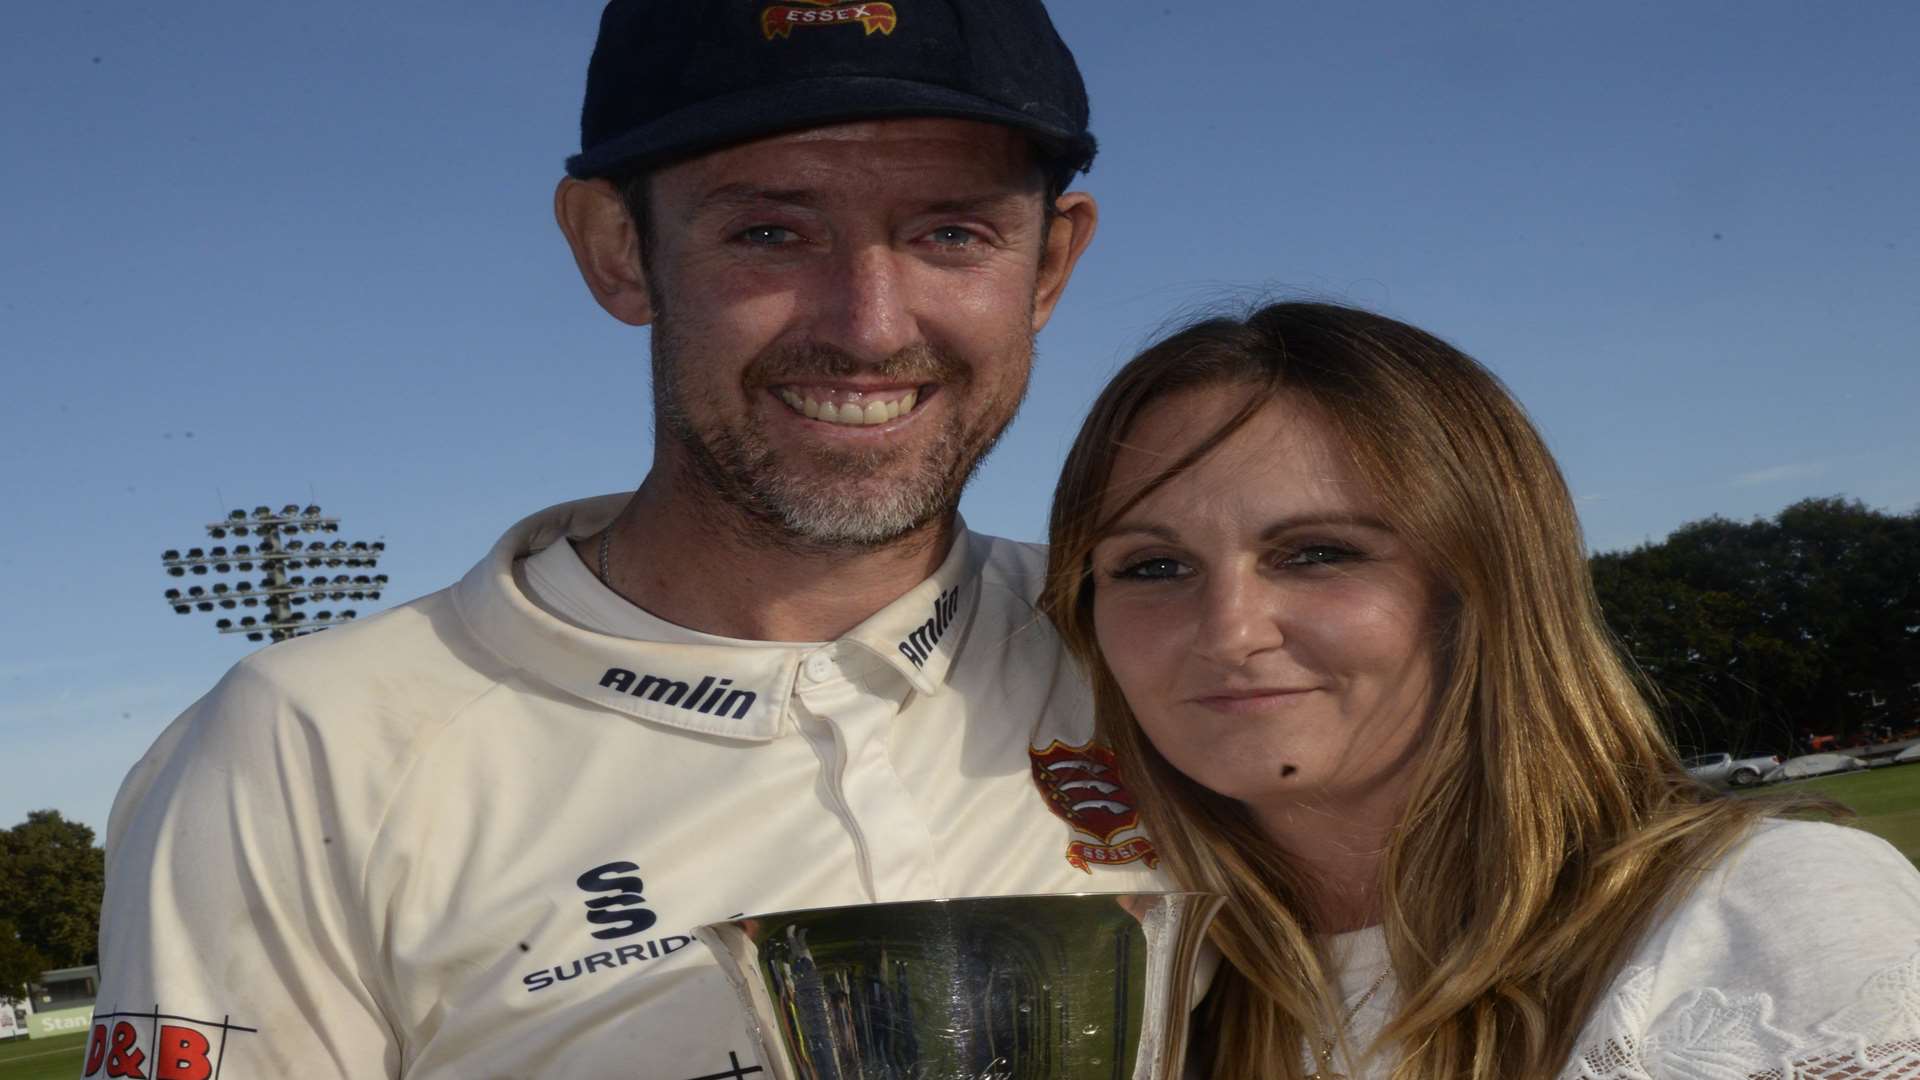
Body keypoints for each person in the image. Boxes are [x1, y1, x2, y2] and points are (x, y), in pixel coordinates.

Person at [91, 3, 1175, 1076]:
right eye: (769, 233)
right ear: (617, 250)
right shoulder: (308, 748)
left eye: (952, 233)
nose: (870, 325)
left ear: (1048, 266)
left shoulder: (1164, 653)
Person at [1040, 301, 1920, 1079]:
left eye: (1319, 552)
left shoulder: (1759, 919)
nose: (1230, 629)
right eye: (1152, 566)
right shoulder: (1162, 987)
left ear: (1483, 584)